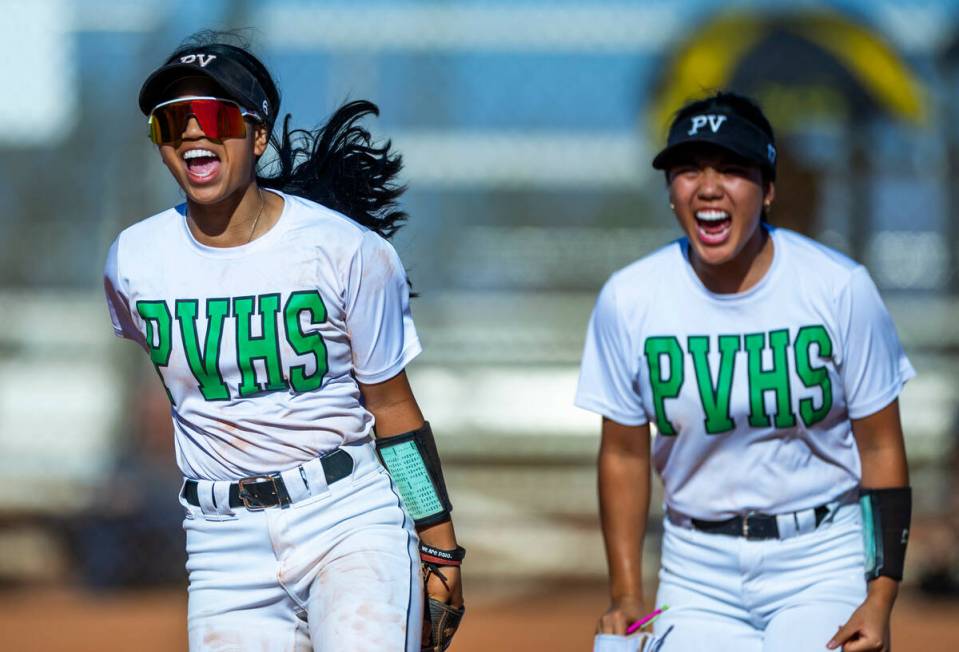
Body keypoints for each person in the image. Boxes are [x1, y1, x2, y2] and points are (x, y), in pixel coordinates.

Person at [103, 31, 465, 652]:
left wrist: (438, 542)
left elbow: (395, 411)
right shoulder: (133, 261)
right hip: (220, 542)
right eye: (171, 122)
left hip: (347, 518)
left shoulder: (347, 250)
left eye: (215, 115)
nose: (193, 132)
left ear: (259, 136)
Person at [576, 91, 913, 651]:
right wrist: (628, 594)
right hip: (695, 570)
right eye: (687, 170)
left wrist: (879, 598)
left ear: (769, 189)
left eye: (733, 169)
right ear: (670, 192)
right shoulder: (630, 298)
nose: (708, 187)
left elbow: (879, 449)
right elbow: (623, 453)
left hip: (821, 559)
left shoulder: (837, 288)